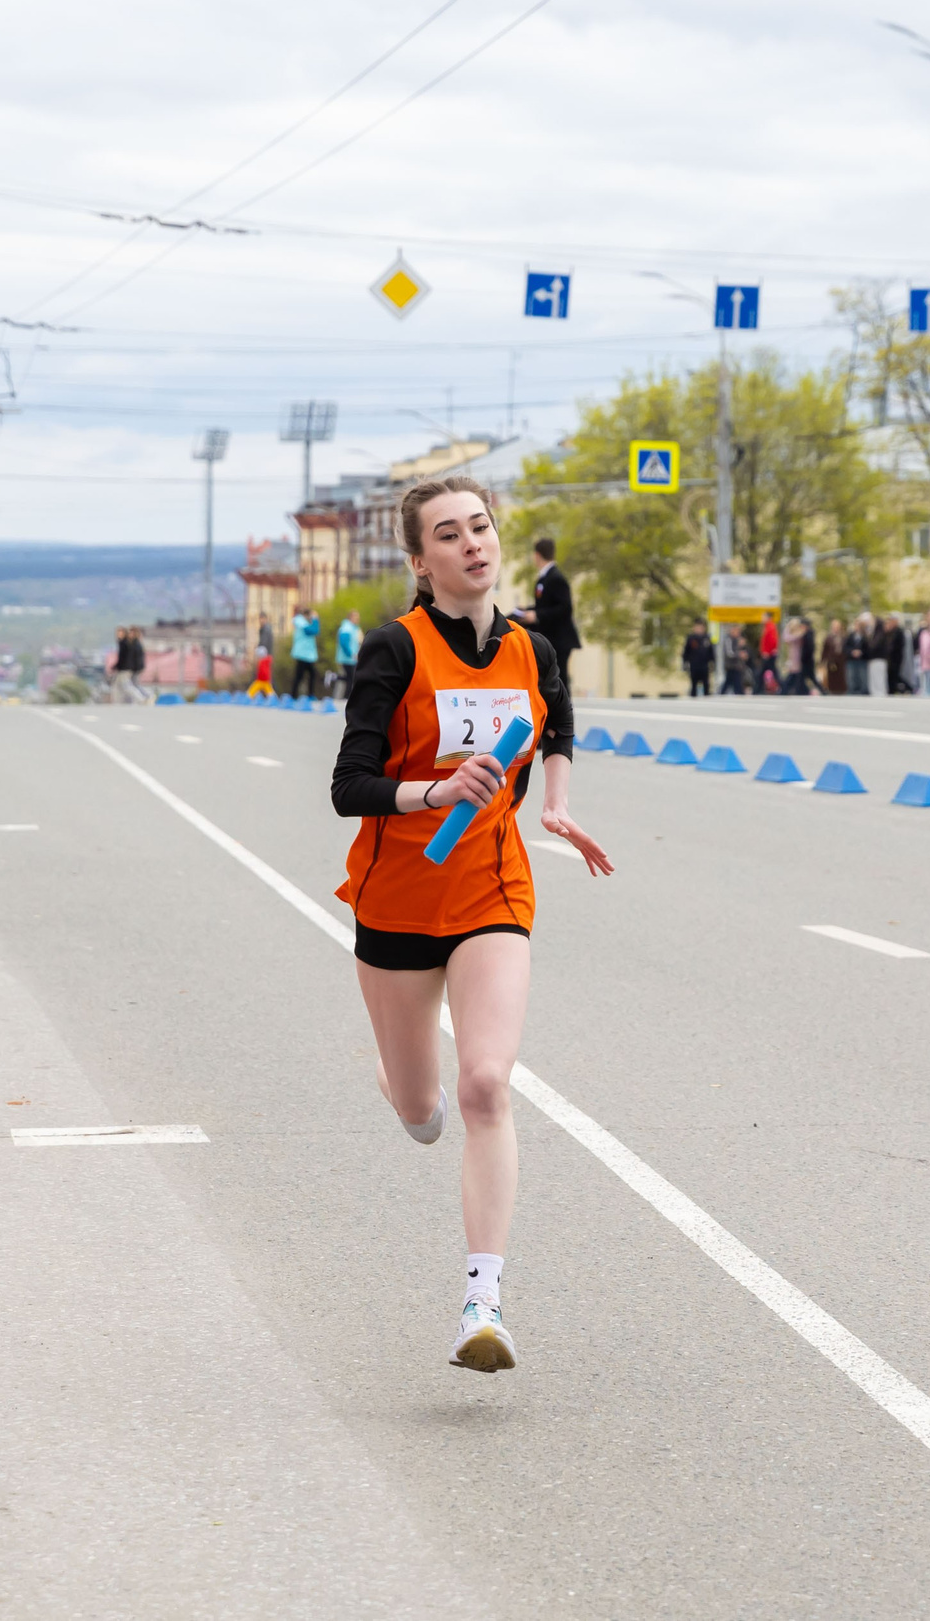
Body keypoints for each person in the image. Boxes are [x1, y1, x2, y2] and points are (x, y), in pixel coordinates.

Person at [330, 476, 609, 1373]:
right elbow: (349, 785)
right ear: (421, 561)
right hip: (397, 905)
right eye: (448, 535)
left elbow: (553, 723)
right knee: (424, 1112)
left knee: (488, 1083)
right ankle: (402, 1081)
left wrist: (556, 805)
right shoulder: (394, 651)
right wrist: (435, 791)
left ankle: (481, 1304)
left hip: (491, 893)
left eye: (481, 527)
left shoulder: (530, 647)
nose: (472, 544)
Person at [510, 536, 581, 687]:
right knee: (550, 681)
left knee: (559, 681)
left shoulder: (555, 578)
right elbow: (544, 605)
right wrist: (527, 611)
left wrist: (536, 615)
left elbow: (565, 607)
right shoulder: (545, 578)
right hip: (550, 638)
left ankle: (564, 711)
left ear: (536, 555)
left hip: (559, 639)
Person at [288, 605, 321, 701]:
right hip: (302, 654)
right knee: (299, 676)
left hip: (308, 655)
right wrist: (315, 619)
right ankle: (293, 695)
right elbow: (314, 631)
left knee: (311, 675)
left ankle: (309, 694)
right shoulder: (300, 621)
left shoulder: (303, 622)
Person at [681, 619, 713, 697]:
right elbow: (686, 652)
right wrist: (685, 663)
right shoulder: (691, 638)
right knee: (694, 685)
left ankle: (707, 700)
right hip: (694, 665)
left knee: (706, 684)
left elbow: (711, 653)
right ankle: (693, 700)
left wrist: (712, 663)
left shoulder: (707, 638)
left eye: (701, 627)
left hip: (704, 665)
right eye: (697, 627)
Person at [335, 608, 362, 699]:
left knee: (350, 678)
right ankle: (346, 697)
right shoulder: (346, 628)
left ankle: (347, 696)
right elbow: (344, 643)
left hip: (352, 658)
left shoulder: (354, 628)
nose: (358, 619)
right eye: (356, 617)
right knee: (350, 678)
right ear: (351, 617)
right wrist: (351, 654)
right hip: (347, 658)